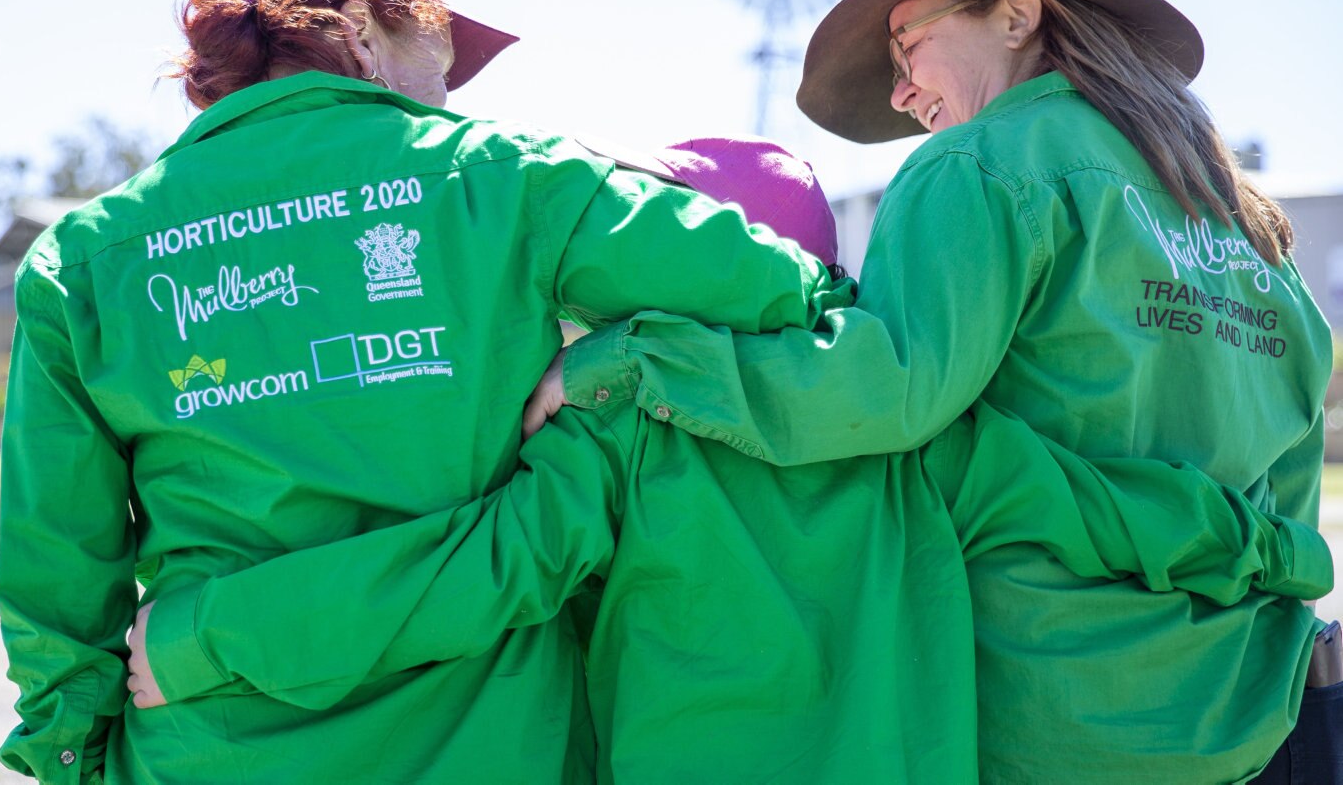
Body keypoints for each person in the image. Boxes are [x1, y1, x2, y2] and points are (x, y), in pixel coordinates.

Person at [123, 137, 1331, 784]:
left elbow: (465, 578)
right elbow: (1130, 515)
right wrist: (1283, 550)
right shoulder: (929, 437)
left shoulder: (610, 429)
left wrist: (204, 636)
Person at [0, 0, 852, 784]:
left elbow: (55, 569)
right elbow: (791, 290)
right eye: (438, 74)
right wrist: (611, 359)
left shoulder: (83, 258)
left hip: (200, 749)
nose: (443, 104)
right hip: (486, 745)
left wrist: (79, 759)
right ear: (363, 35)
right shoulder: (506, 175)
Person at [532, 0, 1338, 781]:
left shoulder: (979, 165)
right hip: (1250, 710)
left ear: (1018, 15)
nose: (900, 89)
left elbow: (884, 395)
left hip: (1047, 707)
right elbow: (1290, 491)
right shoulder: (1250, 223)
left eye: (909, 42)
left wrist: (633, 362)